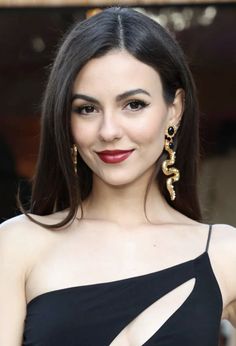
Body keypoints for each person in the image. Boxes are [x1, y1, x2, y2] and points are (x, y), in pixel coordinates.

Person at [0, 6, 235, 346]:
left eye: (134, 105)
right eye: (87, 109)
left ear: (174, 109)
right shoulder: (16, 245)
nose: (109, 130)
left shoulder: (224, 253)